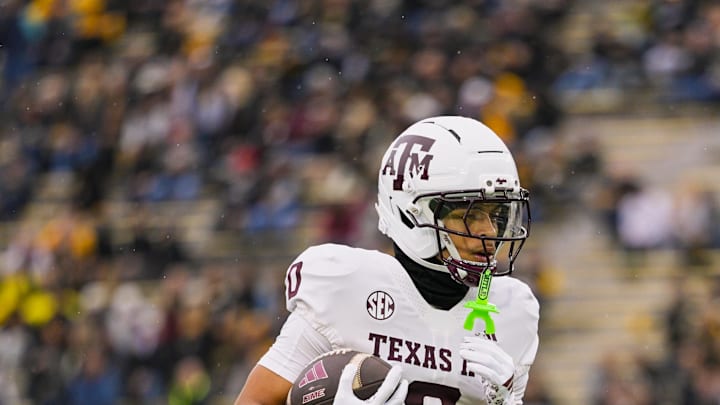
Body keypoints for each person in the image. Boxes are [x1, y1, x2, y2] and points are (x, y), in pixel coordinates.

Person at [235, 115, 540, 405]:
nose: (489, 232)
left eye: (498, 214)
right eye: (469, 215)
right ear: (411, 213)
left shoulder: (512, 311)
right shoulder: (347, 288)